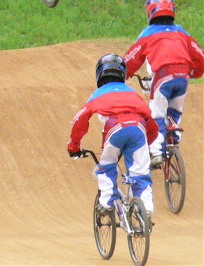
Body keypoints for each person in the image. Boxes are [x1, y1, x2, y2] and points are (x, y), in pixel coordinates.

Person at [67, 54, 158, 216]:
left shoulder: (99, 93)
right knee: (140, 171)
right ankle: (145, 210)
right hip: (138, 128)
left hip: (115, 127)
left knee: (107, 164)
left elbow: (80, 119)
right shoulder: (133, 93)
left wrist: (74, 146)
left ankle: (107, 202)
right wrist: (147, 144)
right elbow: (151, 122)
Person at [123, 0, 204, 167]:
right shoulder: (181, 31)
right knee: (175, 111)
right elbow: (199, 54)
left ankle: (156, 151)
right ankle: (174, 141)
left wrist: (124, 74)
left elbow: (133, 56)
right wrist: (196, 72)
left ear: (150, 12)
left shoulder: (148, 33)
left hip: (164, 73)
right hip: (184, 74)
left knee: (157, 112)